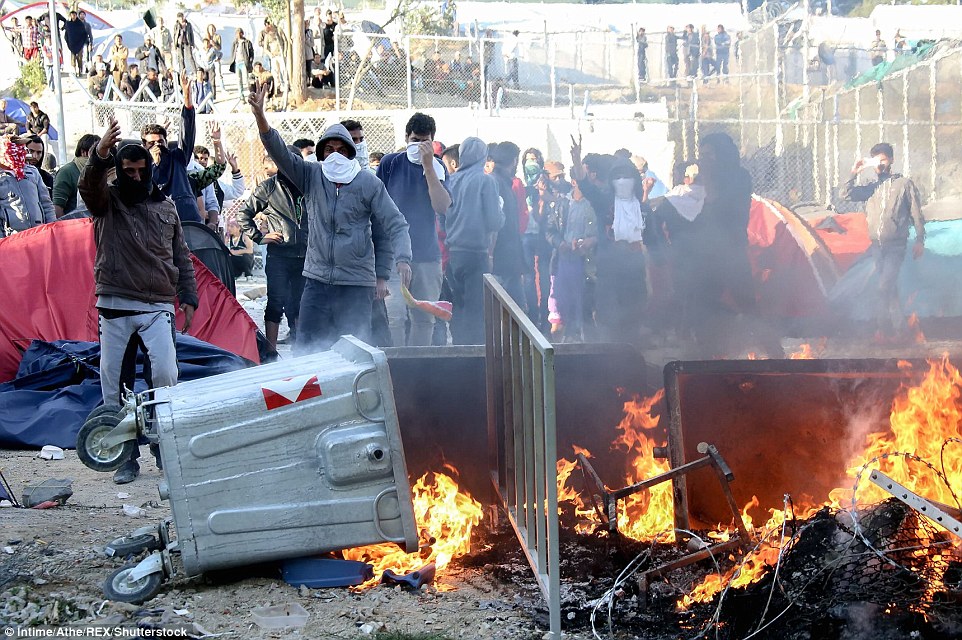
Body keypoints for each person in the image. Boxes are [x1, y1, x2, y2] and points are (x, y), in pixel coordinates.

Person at [248, 83, 413, 354]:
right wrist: (260, 117)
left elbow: (396, 224)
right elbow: (278, 151)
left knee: (352, 353)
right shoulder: (312, 176)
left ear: (349, 153)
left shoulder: (367, 183)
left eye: (341, 148)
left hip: (356, 284)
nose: (334, 154)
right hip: (317, 281)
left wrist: (403, 258)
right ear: (321, 152)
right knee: (307, 351)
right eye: (328, 149)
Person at [78, 118, 198, 485]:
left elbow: (181, 254)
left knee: (165, 377)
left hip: (158, 304)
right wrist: (100, 155)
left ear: (148, 170)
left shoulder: (165, 207)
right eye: (126, 170)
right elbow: (89, 188)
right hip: (114, 306)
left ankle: (164, 448)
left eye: (139, 170)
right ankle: (126, 457)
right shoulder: (106, 202)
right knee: (114, 386)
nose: (133, 176)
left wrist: (189, 296)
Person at [375, 113, 451, 346]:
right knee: (395, 318)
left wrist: (428, 166)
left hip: (426, 255)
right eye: (414, 140)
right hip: (393, 255)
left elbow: (442, 206)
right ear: (406, 137)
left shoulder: (437, 167)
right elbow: (376, 205)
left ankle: (420, 372)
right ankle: (398, 370)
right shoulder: (390, 163)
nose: (418, 145)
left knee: (424, 319)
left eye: (424, 141)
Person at [841, 142, 925, 341]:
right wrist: (854, 172)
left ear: (891, 160)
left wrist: (920, 239)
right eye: (876, 160)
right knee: (889, 289)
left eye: (883, 159)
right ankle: (901, 333)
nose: (880, 164)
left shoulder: (904, 184)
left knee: (883, 287)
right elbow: (845, 194)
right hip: (877, 246)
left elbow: (916, 214)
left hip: (896, 246)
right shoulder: (871, 188)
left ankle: (882, 329)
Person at [236, 153, 307, 348]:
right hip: (280, 255)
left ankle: (301, 349)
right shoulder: (269, 186)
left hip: (306, 255)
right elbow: (244, 214)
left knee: (301, 304)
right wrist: (260, 236)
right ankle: (271, 351)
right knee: (276, 302)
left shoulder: (309, 183)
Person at [443, 137, 503, 344]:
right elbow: (494, 220)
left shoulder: (451, 180)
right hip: (476, 253)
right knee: (477, 308)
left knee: (458, 306)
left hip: (455, 254)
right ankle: (476, 354)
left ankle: (459, 350)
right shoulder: (485, 180)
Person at [543, 164, 597, 342]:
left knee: (586, 309)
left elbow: (600, 234)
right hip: (563, 262)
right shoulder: (562, 203)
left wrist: (589, 242)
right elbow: (550, 231)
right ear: (574, 181)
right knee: (560, 308)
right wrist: (561, 244)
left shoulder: (594, 204)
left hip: (587, 264)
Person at [143, 77, 202, 222]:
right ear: (144, 145)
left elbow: (187, 134)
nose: (157, 146)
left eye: (160, 142)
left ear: (166, 142)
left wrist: (187, 102)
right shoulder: (140, 166)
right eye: (152, 143)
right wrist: (155, 166)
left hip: (185, 215)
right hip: (159, 221)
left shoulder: (177, 157)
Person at [0, 135, 55, 236]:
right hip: (12, 238)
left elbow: (46, 204)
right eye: (14, 147)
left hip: (39, 234)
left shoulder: (32, 172)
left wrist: (52, 229)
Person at [521, 147, 550, 328]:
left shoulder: (546, 184)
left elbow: (542, 217)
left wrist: (542, 197)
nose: (531, 163)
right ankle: (532, 315)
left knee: (543, 276)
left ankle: (544, 315)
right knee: (529, 277)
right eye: (528, 159)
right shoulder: (521, 186)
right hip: (525, 236)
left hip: (542, 236)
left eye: (534, 159)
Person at [53, 133, 100, 217]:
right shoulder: (67, 172)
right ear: (83, 152)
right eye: (96, 152)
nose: (99, 156)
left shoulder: (100, 171)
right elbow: (57, 207)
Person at [230, 29, 255, 95]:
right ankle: (241, 95)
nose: (238, 35)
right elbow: (233, 52)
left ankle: (251, 93)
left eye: (239, 33)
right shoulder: (235, 43)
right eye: (237, 33)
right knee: (238, 80)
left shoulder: (247, 42)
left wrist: (250, 61)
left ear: (242, 33)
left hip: (244, 62)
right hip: (237, 63)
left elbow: (251, 53)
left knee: (246, 80)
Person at [173, 12, 197, 77]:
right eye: (179, 18)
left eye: (182, 17)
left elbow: (191, 34)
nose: (181, 19)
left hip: (187, 42)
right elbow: (175, 35)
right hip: (179, 43)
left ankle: (195, 72)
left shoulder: (188, 24)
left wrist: (192, 43)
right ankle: (183, 72)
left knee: (190, 57)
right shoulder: (176, 25)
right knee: (181, 58)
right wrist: (175, 45)